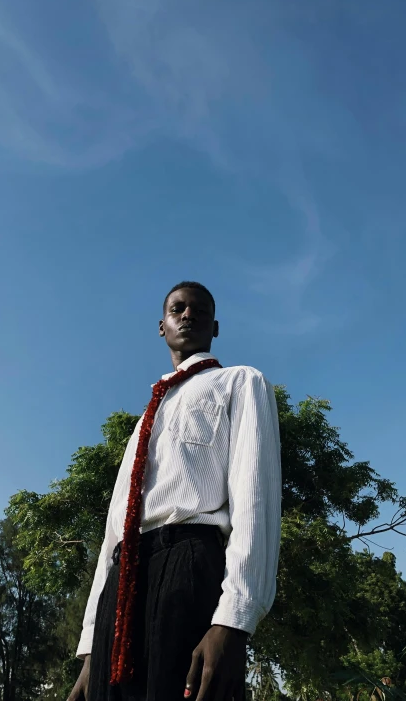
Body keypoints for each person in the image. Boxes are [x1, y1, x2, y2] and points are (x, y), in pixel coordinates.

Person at [68, 281, 281, 701]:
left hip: (187, 566)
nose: (188, 315)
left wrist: (233, 620)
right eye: (177, 309)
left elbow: (255, 498)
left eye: (200, 311)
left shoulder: (240, 382)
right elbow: (115, 528)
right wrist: (93, 646)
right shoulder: (145, 417)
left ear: (215, 327)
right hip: (123, 578)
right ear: (161, 326)